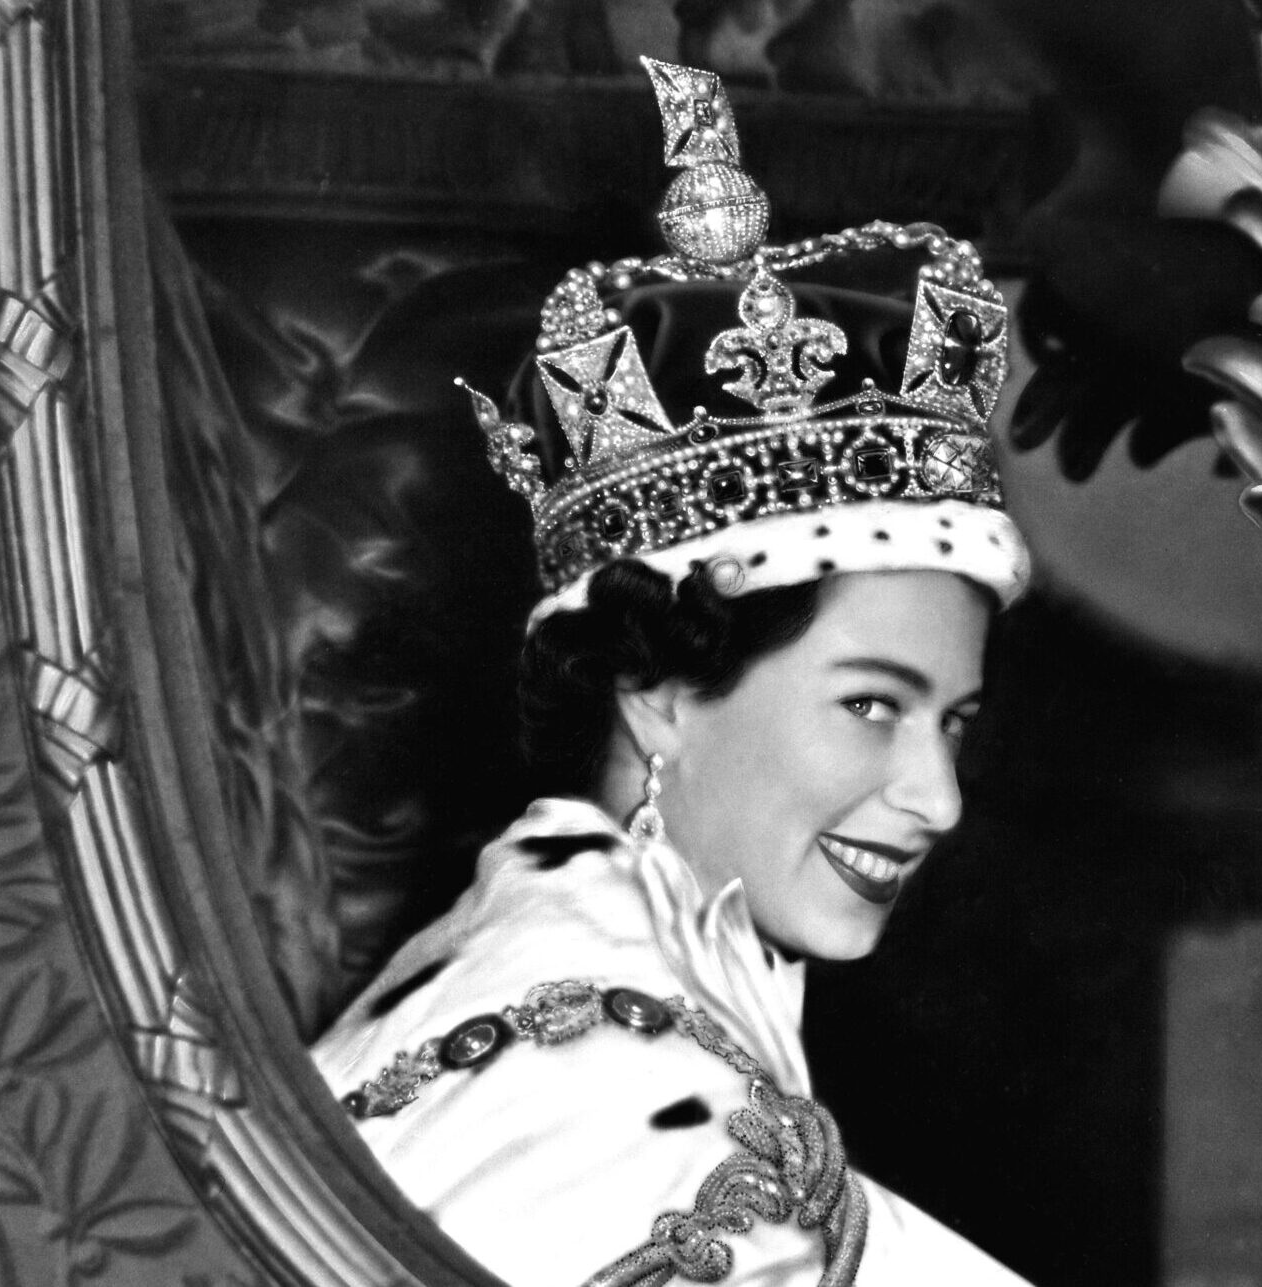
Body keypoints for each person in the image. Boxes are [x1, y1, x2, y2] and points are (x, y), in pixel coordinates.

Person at [310, 56, 1034, 1286]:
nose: (938, 799)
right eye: (872, 704)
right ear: (656, 692)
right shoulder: (628, 1118)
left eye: (952, 722)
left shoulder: (550, 980)